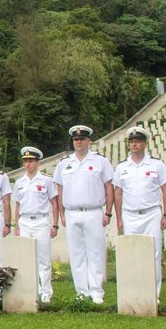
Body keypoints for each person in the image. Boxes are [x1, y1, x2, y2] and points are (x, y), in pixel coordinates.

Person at [53, 125, 114, 304]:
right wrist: (62, 215)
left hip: (93, 212)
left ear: (89, 141)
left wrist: (108, 213)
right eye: (75, 139)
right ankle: (81, 291)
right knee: (76, 254)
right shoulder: (64, 163)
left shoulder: (100, 161)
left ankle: (96, 291)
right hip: (72, 213)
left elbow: (109, 187)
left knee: (95, 252)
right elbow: (60, 190)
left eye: (82, 139)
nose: (78, 142)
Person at [113, 126, 166, 297]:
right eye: (131, 142)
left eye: (138, 141)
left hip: (151, 214)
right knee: (132, 254)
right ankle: (134, 292)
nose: (134, 144)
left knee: (154, 254)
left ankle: (154, 294)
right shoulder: (122, 167)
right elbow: (118, 192)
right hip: (130, 214)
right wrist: (119, 218)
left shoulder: (156, 164)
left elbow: (165, 189)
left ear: (145, 144)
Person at [12, 147, 59, 303]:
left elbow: (54, 203)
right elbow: (17, 205)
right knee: (26, 258)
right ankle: (29, 290)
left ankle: (45, 292)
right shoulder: (20, 182)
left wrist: (55, 225)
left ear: (37, 162)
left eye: (31, 161)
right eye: (25, 161)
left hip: (41, 221)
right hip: (25, 221)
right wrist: (17, 226)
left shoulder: (46, 180)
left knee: (43, 259)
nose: (28, 164)